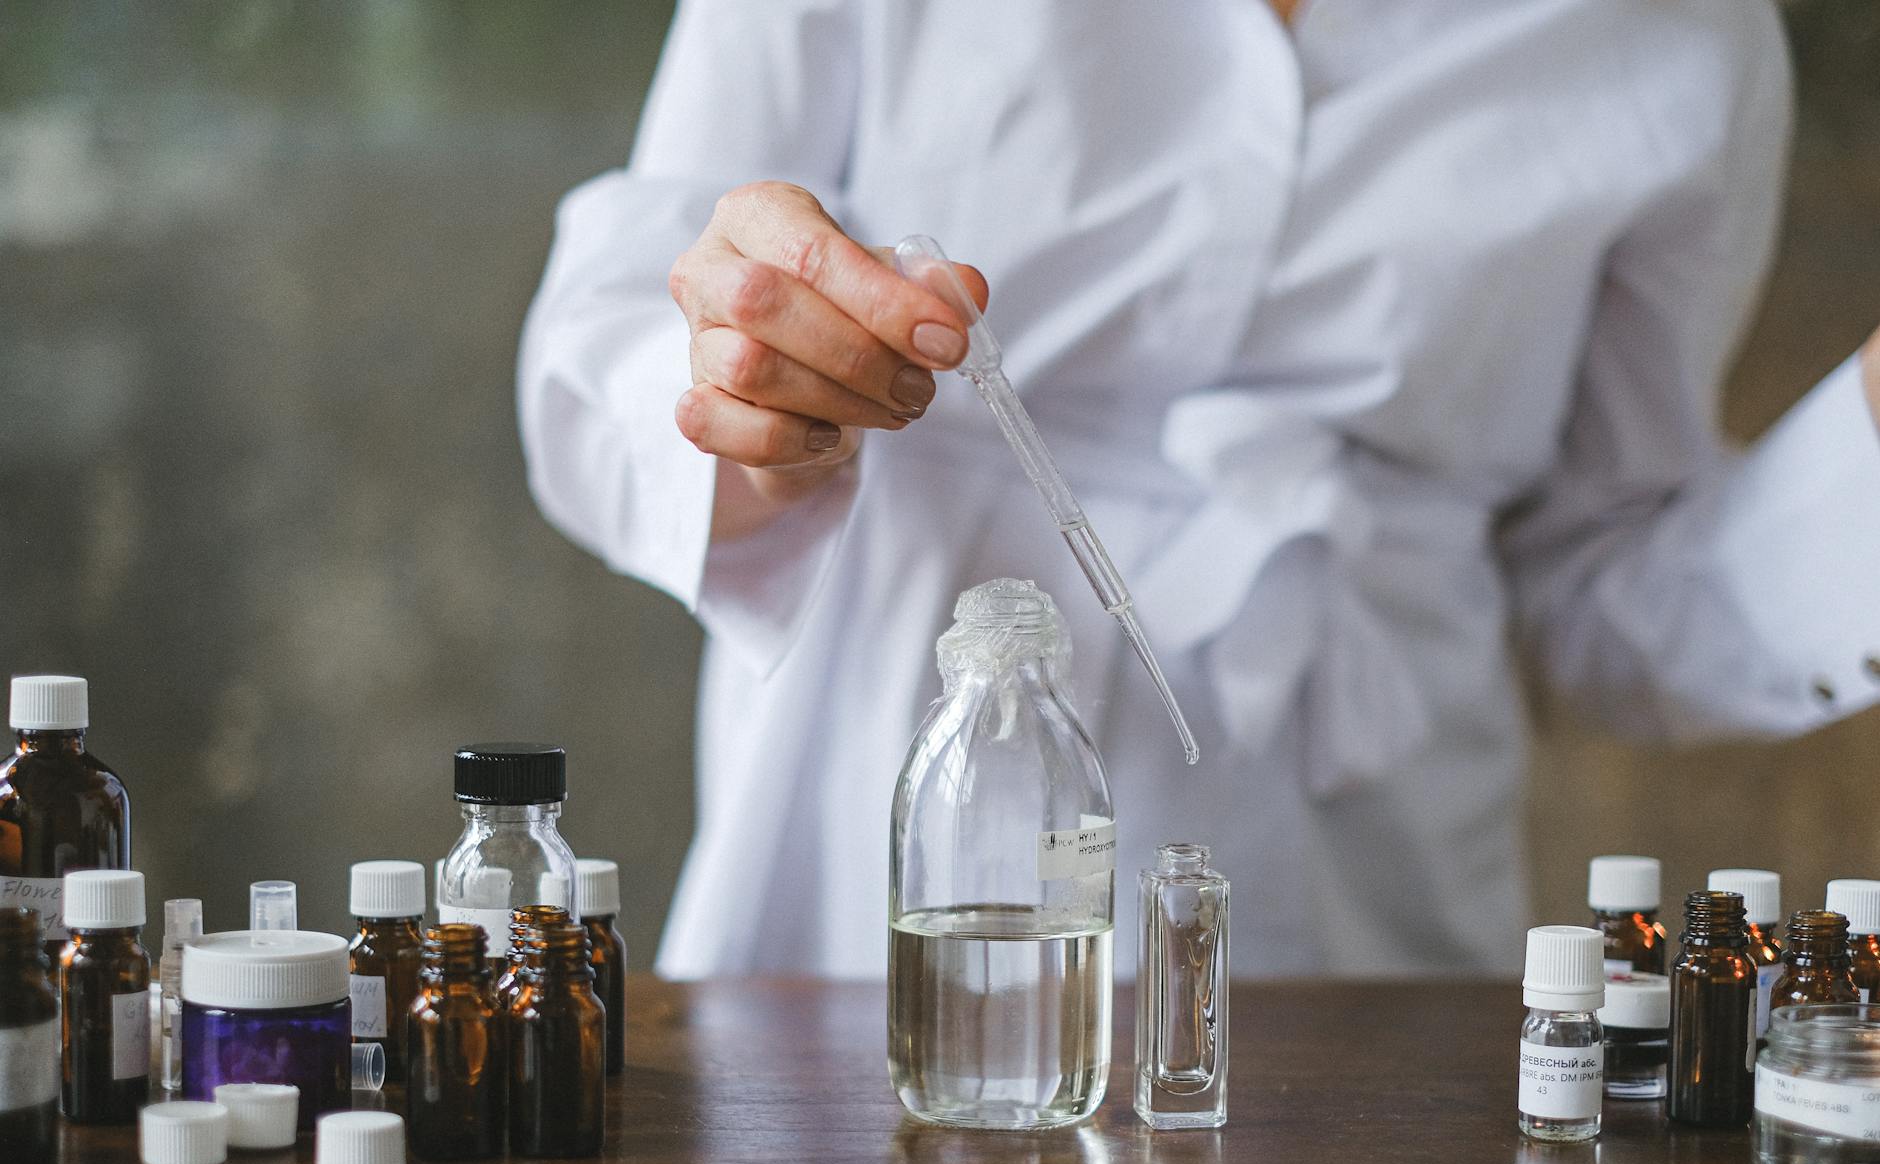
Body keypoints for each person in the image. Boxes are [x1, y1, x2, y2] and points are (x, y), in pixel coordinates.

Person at [518, 0, 1880, 978]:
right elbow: (613, 342)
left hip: (1366, 912)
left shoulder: (1684, 38)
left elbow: (1591, 582)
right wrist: (755, 398)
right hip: (882, 858)